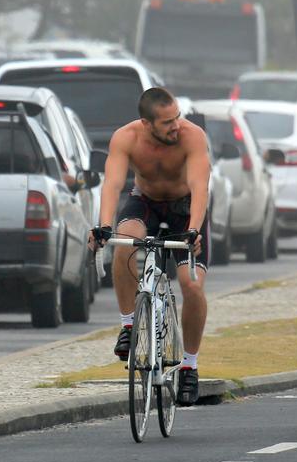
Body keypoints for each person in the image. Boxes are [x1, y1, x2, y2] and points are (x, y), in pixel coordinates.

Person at [88, 87, 211, 406]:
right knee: (124, 242)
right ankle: (128, 325)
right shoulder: (126, 137)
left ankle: (189, 366)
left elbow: (200, 185)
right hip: (146, 202)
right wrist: (103, 224)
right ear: (146, 123)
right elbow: (113, 183)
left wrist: (194, 230)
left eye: (178, 117)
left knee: (192, 287)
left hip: (186, 209)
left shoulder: (192, 136)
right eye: (168, 122)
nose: (176, 125)